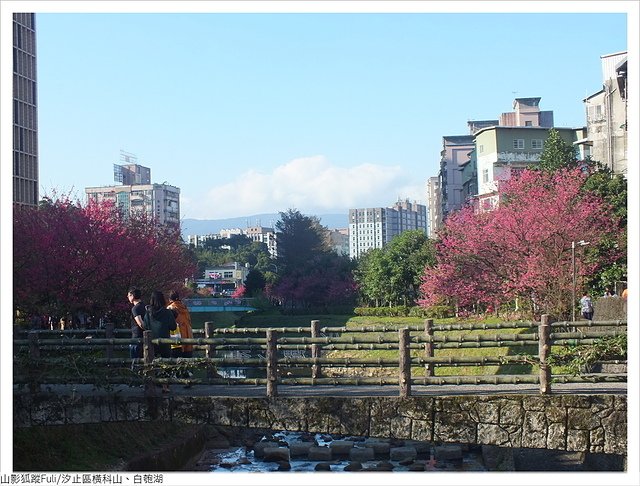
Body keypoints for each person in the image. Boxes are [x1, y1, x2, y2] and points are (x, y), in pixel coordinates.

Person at [144, 290, 177, 393]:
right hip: (165, 342)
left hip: (151, 342)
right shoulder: (167, 313)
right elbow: (173, 327)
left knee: (151, 363)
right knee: (166, 364)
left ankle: (150, 385)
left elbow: (145, 327)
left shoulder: (148, 313)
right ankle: (165, 386)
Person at [167, 290, 194, 359]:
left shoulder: (170, 308)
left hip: (177, 338)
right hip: (188, 336)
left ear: (170, 299)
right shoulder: (184, 307)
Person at [127, 288, 146, 359]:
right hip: (145, 337)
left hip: (137, 336)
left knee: (135, 359)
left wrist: (146, 329)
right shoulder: (145, 306)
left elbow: (140, 323)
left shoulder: (135, 308)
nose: (128, 297)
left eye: (129, 295)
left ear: (133, 296)